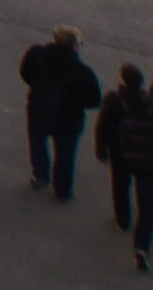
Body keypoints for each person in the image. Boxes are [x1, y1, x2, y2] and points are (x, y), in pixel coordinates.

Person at [100, 60, 153, 269]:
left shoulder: (113, 100)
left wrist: (101, 149)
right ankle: (141, 247)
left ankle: (123, 220)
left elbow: (102, 126)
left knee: (121, 186)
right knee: (147, 205)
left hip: (121, 152)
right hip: (149, 159)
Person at [20, 25, 101, 203]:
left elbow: (25, 73)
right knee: (66, 154)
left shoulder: (36, 54)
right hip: (69, 119)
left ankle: (40, 174)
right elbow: (95, 100)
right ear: (74, 46)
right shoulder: (83, 72)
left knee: (37, 141)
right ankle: (62, 189)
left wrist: (39, 88)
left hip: (39, 108)